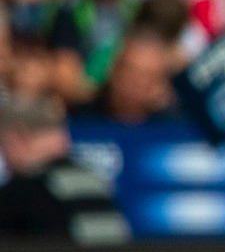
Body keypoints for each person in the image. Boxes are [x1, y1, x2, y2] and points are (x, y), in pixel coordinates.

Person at [0, 94, 130, 244]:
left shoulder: (21, 193)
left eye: (3, 145)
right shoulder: (95, 180)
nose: (5, 158)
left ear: (18, 137)